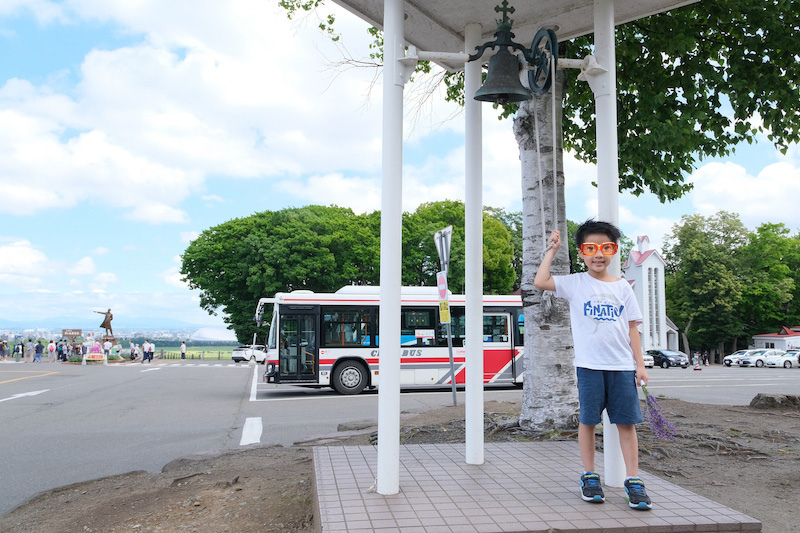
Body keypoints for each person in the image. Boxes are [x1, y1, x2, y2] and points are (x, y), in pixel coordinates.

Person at [534, 220, 651, 510]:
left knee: (626, 424)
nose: (598, 254)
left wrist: (640, 365)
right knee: (588, 421)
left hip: (622, 367)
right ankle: (589, 476)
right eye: (590, 248)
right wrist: (552, 250)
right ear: (582, 252)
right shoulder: (575, 283)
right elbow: (541, 281)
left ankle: (633, 481)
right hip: (589, 367)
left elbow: (632, 329)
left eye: (605, 247)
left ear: (613, 251)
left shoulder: (623, 287)